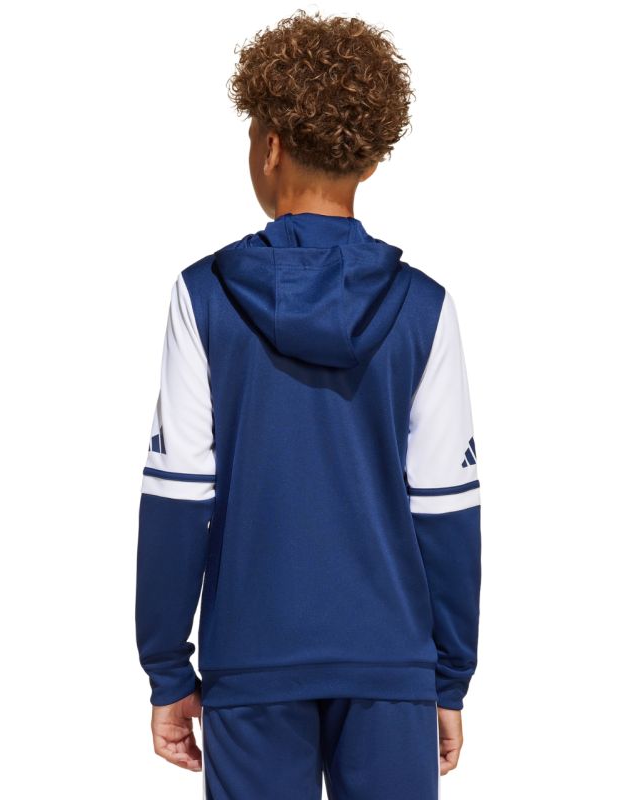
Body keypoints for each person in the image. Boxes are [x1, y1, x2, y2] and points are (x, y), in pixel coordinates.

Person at [135, 10, 482, 799]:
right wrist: (448, 677)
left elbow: (178, 499)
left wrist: (167, 670)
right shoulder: (425, 308)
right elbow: (446, 511)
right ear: (372, 159)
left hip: (251, 662)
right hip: (391, 665)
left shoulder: (203, 297)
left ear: (269, 146)